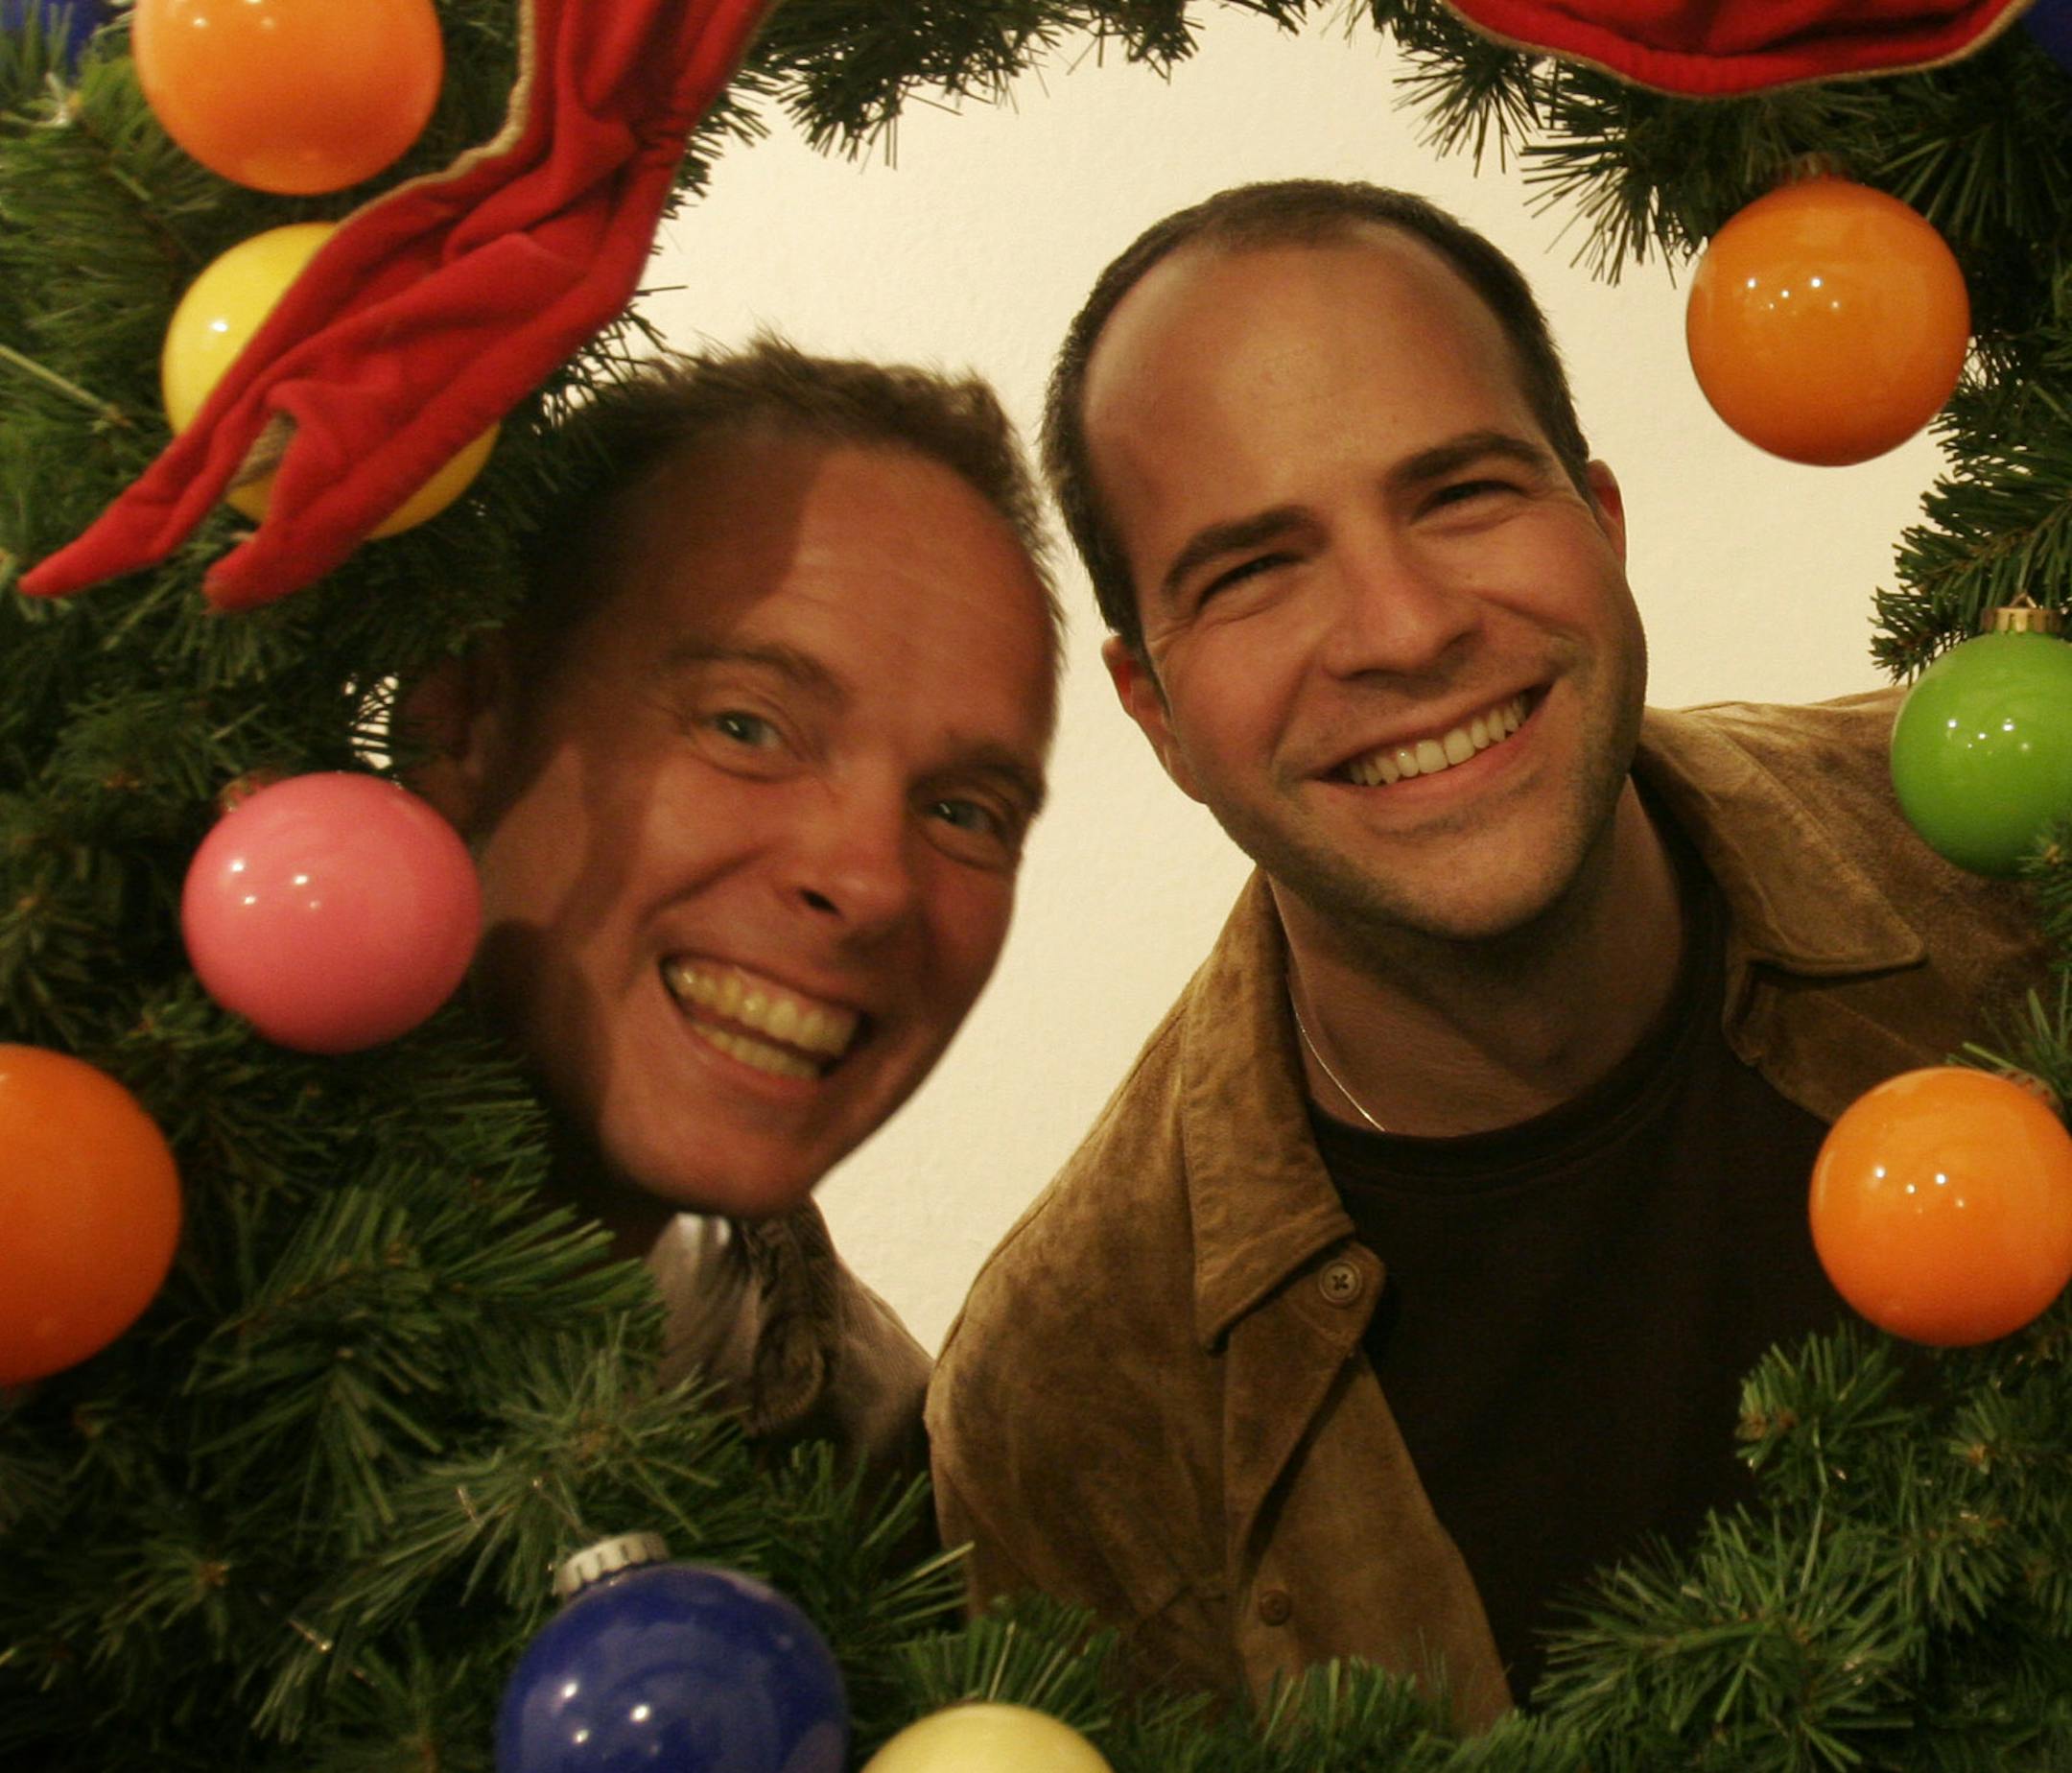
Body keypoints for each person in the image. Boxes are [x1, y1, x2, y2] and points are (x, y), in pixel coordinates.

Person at [926, 180, 2045, 1724]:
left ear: (1601, 525)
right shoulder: (1063, 1400)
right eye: (1253, 569)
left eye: (1458, 493)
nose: (1400, 627)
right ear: (1152, 712)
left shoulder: (2022, 861)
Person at [409, 337, 1060, 1481]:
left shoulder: (874, 1481)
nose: (869, 883)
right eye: (747, 727)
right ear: (468, 715)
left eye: (964, 812)